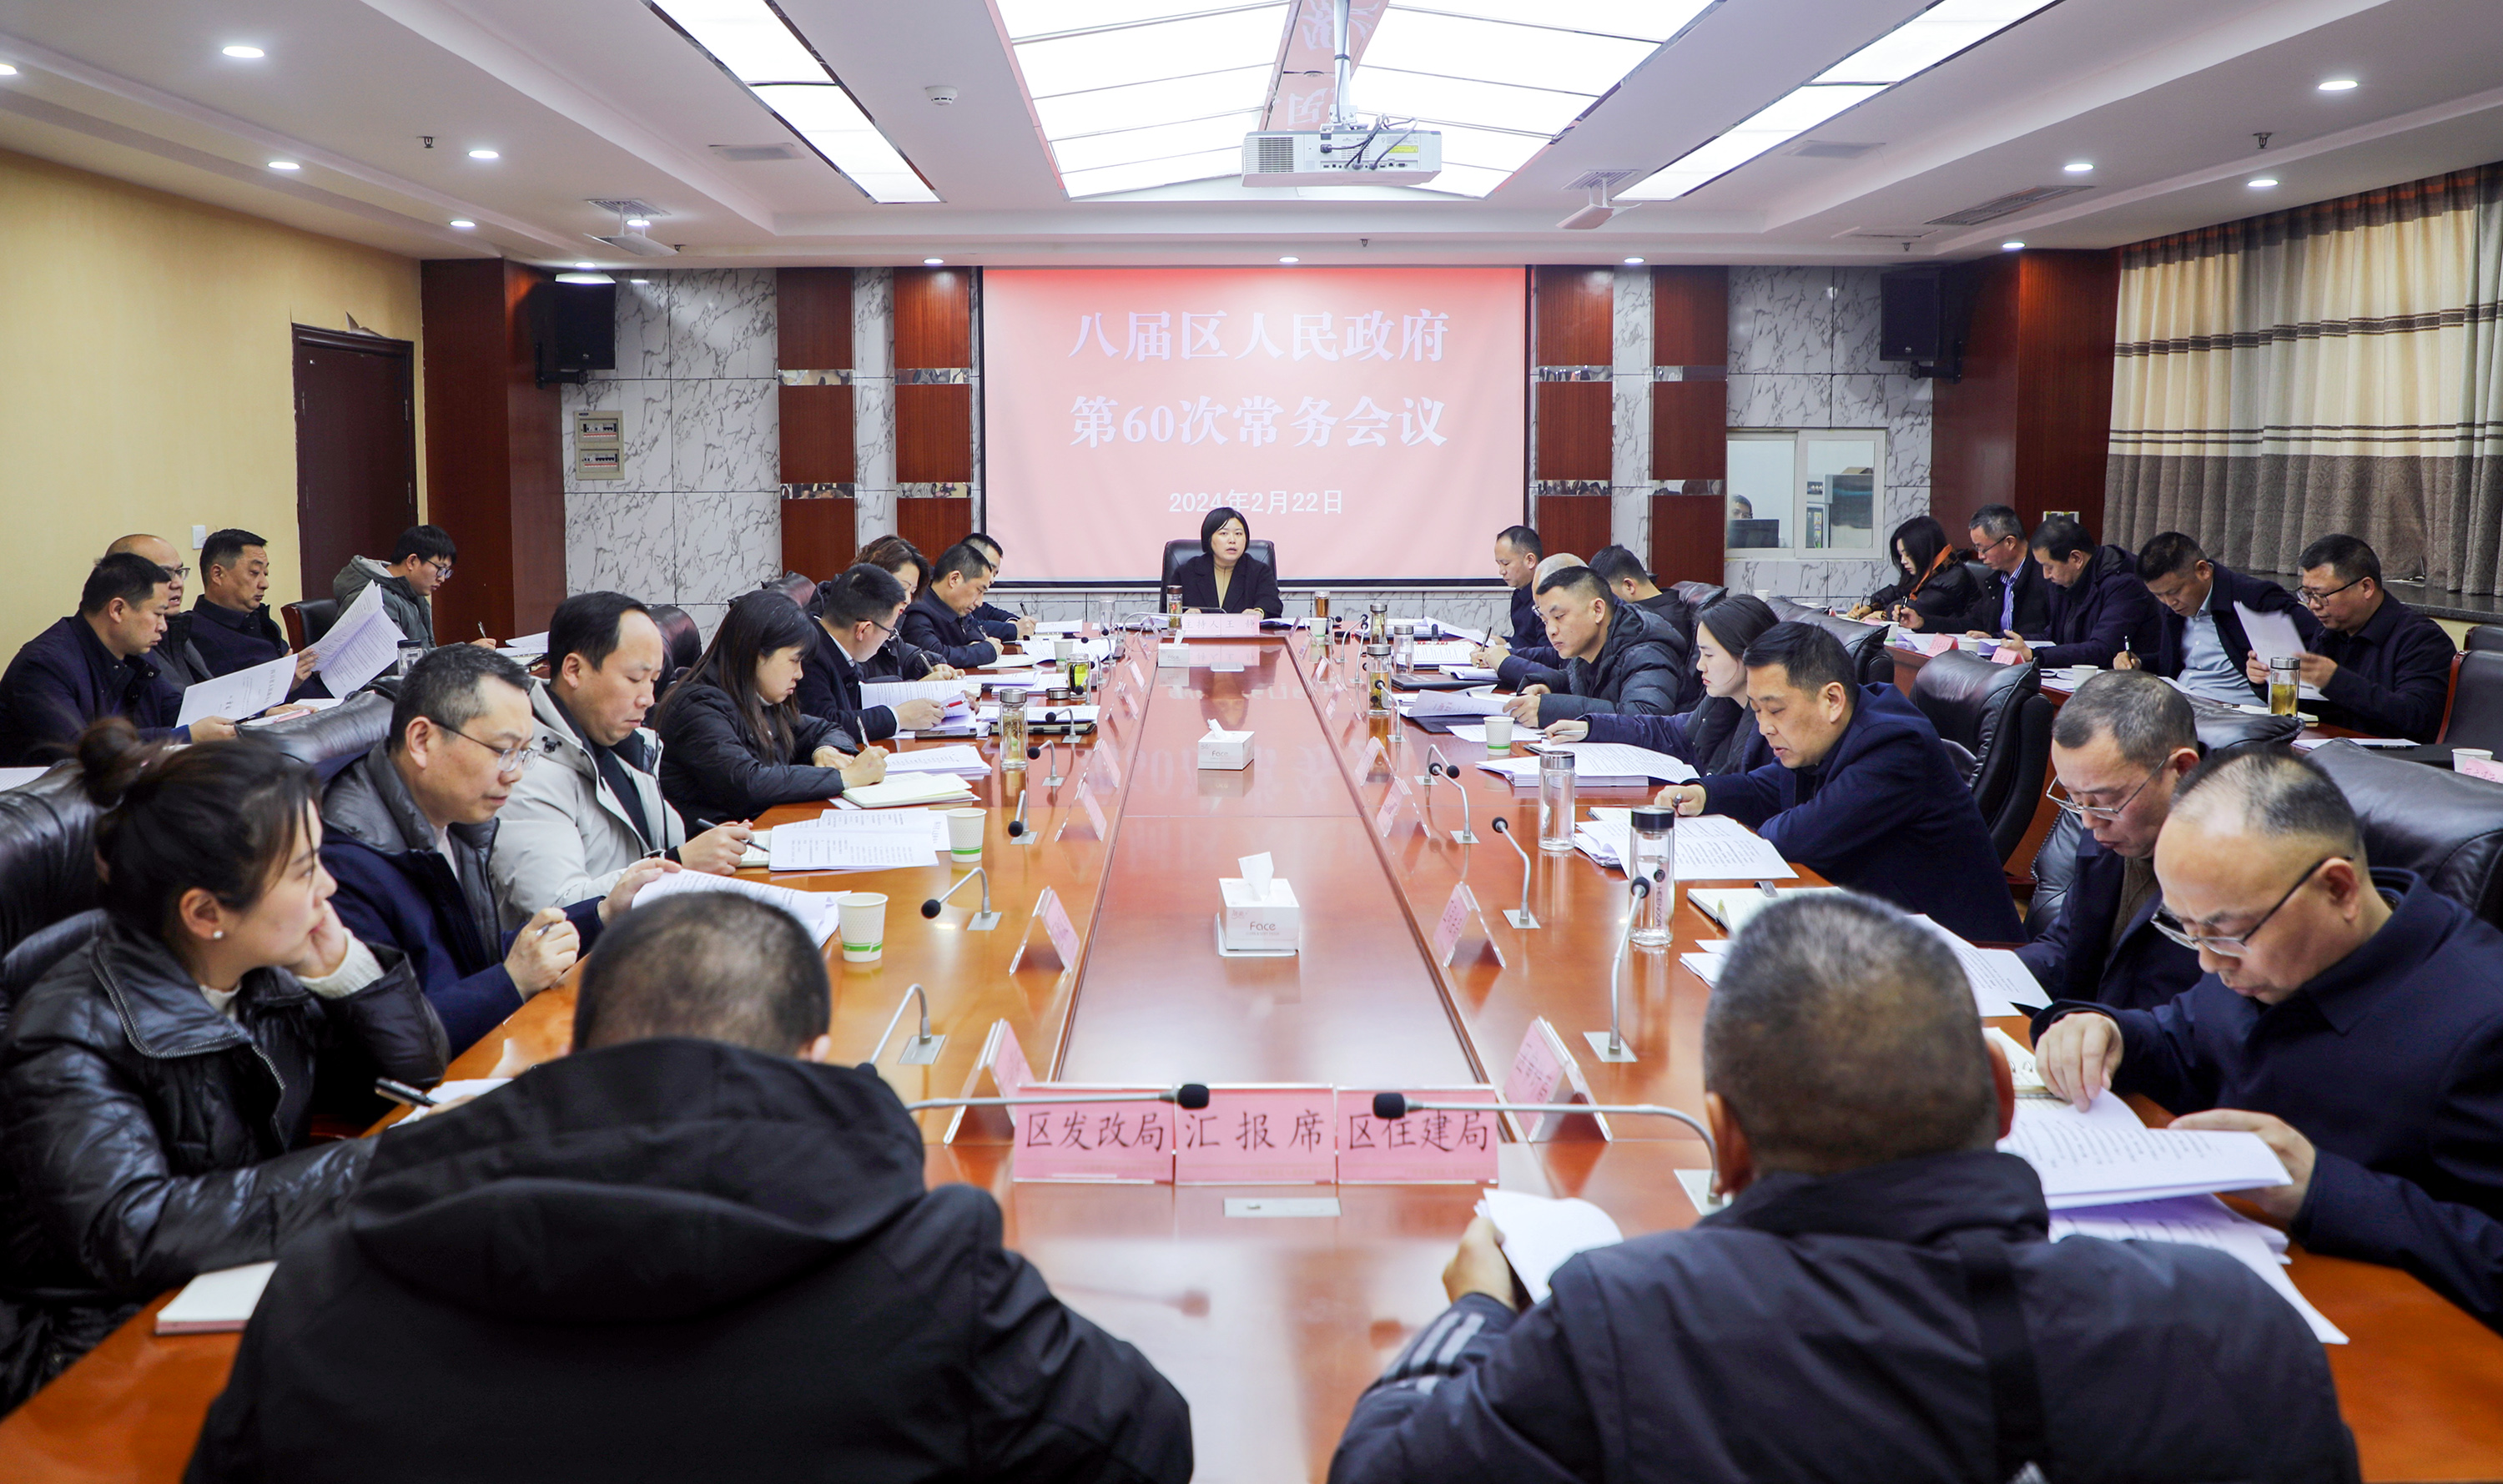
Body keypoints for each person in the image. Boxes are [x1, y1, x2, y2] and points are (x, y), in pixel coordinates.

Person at [1331, 891, 2353, 1484]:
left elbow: (1379, 1469)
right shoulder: (2227, 1328)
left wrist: (1473, 1312)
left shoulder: (1627, 1324)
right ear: (2002, 1096)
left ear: (1726, 1141)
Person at [185, 893, 1194, 1482]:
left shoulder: (330, 1282)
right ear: (813, 1059)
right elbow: (1148, 1443)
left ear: (574, 1050)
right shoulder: (932, 1275)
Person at [0, 723, 446, 1411]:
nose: (329, 886)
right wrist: (376, 1166)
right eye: (304, 871)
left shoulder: (262, 972)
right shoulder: (65, 1031)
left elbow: (412, 1079)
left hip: (232, 1284)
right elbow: (136, 1227)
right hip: (89, 1350)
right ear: (206, 911)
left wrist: (347, 971)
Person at [2033, 747, 2503, 1334]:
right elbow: (2187, 1040)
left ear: (2339, 889)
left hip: (2394, 1341)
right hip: (2235, 1284)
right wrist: (2109, 1032)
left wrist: (2320, 1186)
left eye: (2225, 934)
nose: (2208, 963)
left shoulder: (2484, 1023)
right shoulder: (2266, 947)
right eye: (2189, 931)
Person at [322, 645, 667, 1055]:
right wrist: (512, 981)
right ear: (422, 740)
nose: (515, 774)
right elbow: (386, 1041)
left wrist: (603, 913)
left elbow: (474, 958)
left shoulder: (455, 823)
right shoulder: (346, 863)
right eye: (503, 751)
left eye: (523, 753)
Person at [1659, 622, 2023, 943]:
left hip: (1963, 959)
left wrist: (1737, 840)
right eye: (1756, 710)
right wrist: (1704, 793)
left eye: (1776, 710)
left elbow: (1796, 839)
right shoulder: (1829, 732)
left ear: (1832, 699)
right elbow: (1766, 788)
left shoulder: (1895, 746)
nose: (1765, 726)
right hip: (1881, 937)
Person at [490, 592, 755, 918]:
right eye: (634, 679)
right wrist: (677, 863)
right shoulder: (523, 770)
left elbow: (651, 850)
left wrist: (706, 850)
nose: (648, 698)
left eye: (654, 680)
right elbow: (559, 910)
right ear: (574, 670)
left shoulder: (629, 744)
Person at [2015, 671, 2205, 1010]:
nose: (2088, 822)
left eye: (2107, 800)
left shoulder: (2235, 862)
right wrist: (1988, 974)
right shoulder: (2111, 827)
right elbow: (2066, 947)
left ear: (2183, 770)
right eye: (2074, 798)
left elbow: (2212, 1019)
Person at [652, 590, 886, 825]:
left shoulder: (759, 696)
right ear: (756, 654)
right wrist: (844, 777)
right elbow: (748, 784)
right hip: (721, 841)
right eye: (794, 661)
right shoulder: (698, 707)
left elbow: (824, 728)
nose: (799, 674)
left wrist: (825, 751)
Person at [0, 552, 239, 765]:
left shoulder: (134, 650)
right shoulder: (43, 666)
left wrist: (241, 719)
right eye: (157, 614)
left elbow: (175, 709)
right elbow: (81, 750)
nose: (163, 626)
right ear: (117, 610)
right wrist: (186, 736)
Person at [2238, 534, 2454, 742]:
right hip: (2336, 747)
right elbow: (2320, 706)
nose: (2313, 605)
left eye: (2321, 595)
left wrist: (2336, 681)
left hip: (2394, 757)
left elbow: (2418, 718)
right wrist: (2267, 681)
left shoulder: (2423, 639)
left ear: (2366, 587)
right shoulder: (2330, 631)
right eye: (2307, 595)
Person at [1543, 595, 1779, 777]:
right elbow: (1668, 731)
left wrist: (1704, 794)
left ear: (1746, 653)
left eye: (1709, 655)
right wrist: (1591, 727)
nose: (1700, 666)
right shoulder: (1720, 704)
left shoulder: (1771, 731)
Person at [2120, 531, 2318, 706]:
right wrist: (2139, 663)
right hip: (2180, 703)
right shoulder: (2174, 607)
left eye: (2175, 591)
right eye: (2158, 595)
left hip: (2234, 710)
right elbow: (2183, 660)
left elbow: (2318, 641)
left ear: (2203, 570)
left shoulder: (2255, 597)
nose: (2169, 602)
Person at [1498, 566, 1690, 727]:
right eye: (1545, 620)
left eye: (1559, 617)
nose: (1551, 630)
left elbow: (1643, 719)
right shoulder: (1593, 647)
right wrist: (1548, 687)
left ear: (1597, 610)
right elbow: (1582, 682)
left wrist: (1549, 709)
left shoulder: (1647, 652)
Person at [794, 564, 950, 747]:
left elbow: (858, 694)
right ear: (863, 630)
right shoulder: (807, 654)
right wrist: (898, 717)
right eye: (889, 630)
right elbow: (826, 724)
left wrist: (918, 691)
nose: (889, 637)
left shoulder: (828, 638)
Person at [1996, 515, 2162, 670]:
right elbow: (2053, 636)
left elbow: (2103, 650)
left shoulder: (2124, 584)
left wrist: (2036, 655)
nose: (2046, 575)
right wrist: (1996, 639)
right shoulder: (2066, 581)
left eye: (2049, 567)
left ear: (2076, 558)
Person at [188, 529, 323, 690]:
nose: (265, 584)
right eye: (254, 573)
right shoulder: (197, 633)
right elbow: (228, 699)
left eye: (265, 573)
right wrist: (280, 686)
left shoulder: (259, 620)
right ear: (217, 575)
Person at [335, 525, 496, 651]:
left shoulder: (414, 595)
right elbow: (398, 663)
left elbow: (423, 656)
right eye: (440, 569)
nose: (442, 578)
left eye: (446, 572)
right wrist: (464, 653)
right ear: (412, 561)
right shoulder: (375, 598)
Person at [105, 534, 213, 687]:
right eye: (165, 574)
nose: (178, 583)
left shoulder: (177, 629)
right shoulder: (127, 643)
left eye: (179, 572)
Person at [854, 536, 964, 683]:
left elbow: (904, 654)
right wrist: (917, 687)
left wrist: (931, 666)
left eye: (912, 592)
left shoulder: (887, 624)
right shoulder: (842, 620)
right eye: (902, 588)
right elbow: (855, 689)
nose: (908, 600)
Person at [1853, 516, 1980, 631]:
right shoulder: (1930, 571)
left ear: (1923, 550)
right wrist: (1872, 607)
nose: (1903, 561)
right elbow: (1901, 591)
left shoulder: (1953, 577)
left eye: (1907, 554)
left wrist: (1883, 615)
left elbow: (1919, 610)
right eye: (1901, 555)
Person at [899, 542, 1005, 670]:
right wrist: (984, 651)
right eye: (979, 590)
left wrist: (977, 644)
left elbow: (973, 631)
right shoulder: (917, 611)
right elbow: (935, 656)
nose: (979, 603)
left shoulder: (955, 606)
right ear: (954, 579)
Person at [1952, 503, 2052, 639]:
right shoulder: (1997, 580)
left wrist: (1995, 638)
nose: (1980, 556)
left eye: (1984, 549)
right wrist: (1925, 622)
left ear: (2010, 542)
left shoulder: (2046, 576)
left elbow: (2049, 635)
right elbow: (1971, 623)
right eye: (1977, 549)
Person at [1173, 506, 1283, 617]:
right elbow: (1168, 612)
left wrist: (1259, 612)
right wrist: (1184, 616)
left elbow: (1272, 604)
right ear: (1209, 538)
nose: (1232, 540)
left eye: (1238, 534)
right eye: (1224, 534)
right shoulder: (1186, 573)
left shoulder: (1259, 572)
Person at [1587, 545, 1695, 646]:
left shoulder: (1664, 622)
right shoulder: (1655, 611)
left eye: (1607, 593)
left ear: (1629, 585)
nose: (1604, 600)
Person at [1471, 526, 1545, 666]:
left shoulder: (1546, 597)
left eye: (1505, 563)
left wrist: (1506, 653)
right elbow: (1526, 641)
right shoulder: (1520, 593)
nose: (1501, 571)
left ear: (1530, 560)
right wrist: (1505, 643)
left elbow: (1548, 654)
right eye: (1499, 564)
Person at [961, 531, 1038, 642]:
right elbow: (969, 627)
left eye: (995, 574)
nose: (992, 579)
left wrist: (1014, 623)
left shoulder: (975, 601)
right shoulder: (945, 601)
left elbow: (990, 612)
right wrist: (1014, 629)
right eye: (989, 569)